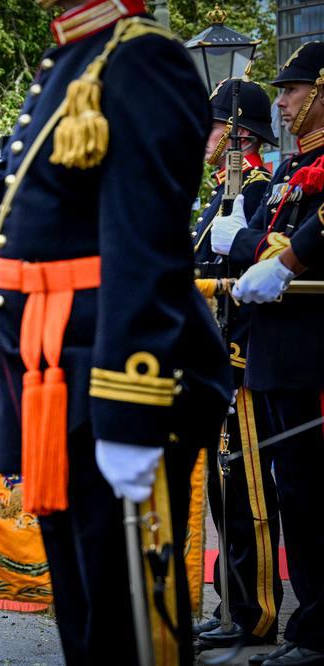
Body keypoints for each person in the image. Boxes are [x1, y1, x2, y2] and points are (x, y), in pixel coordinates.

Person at [0, 1, 232, 662]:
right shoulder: (70, 58)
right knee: (84, 622)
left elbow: (147, 244)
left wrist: (129, 404)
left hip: (111, 379)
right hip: (49, 378)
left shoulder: (142, 58)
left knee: (129, 629)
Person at [211, 41, 324, 666]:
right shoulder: (290, 171)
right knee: (299, 497)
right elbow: (269, 239)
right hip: (275, 352)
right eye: (279, 92)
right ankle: (311, 624)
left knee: (310, 495)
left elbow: (291, 245)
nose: (282, 102)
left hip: (309, 352)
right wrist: (256, 245)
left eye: (293, 90)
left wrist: (264, 252)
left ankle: (317, 628)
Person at [190, 78, 283, 651]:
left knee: (248, 494)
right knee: (224, 497)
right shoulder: (218, 197)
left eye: (212, 126)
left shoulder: (256, 190)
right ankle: (232, 604)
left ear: (235, 133)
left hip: (238, 363)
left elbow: (251, 282)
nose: (203, 136)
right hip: (214, 363)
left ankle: (257, 613)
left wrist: (234, 360)